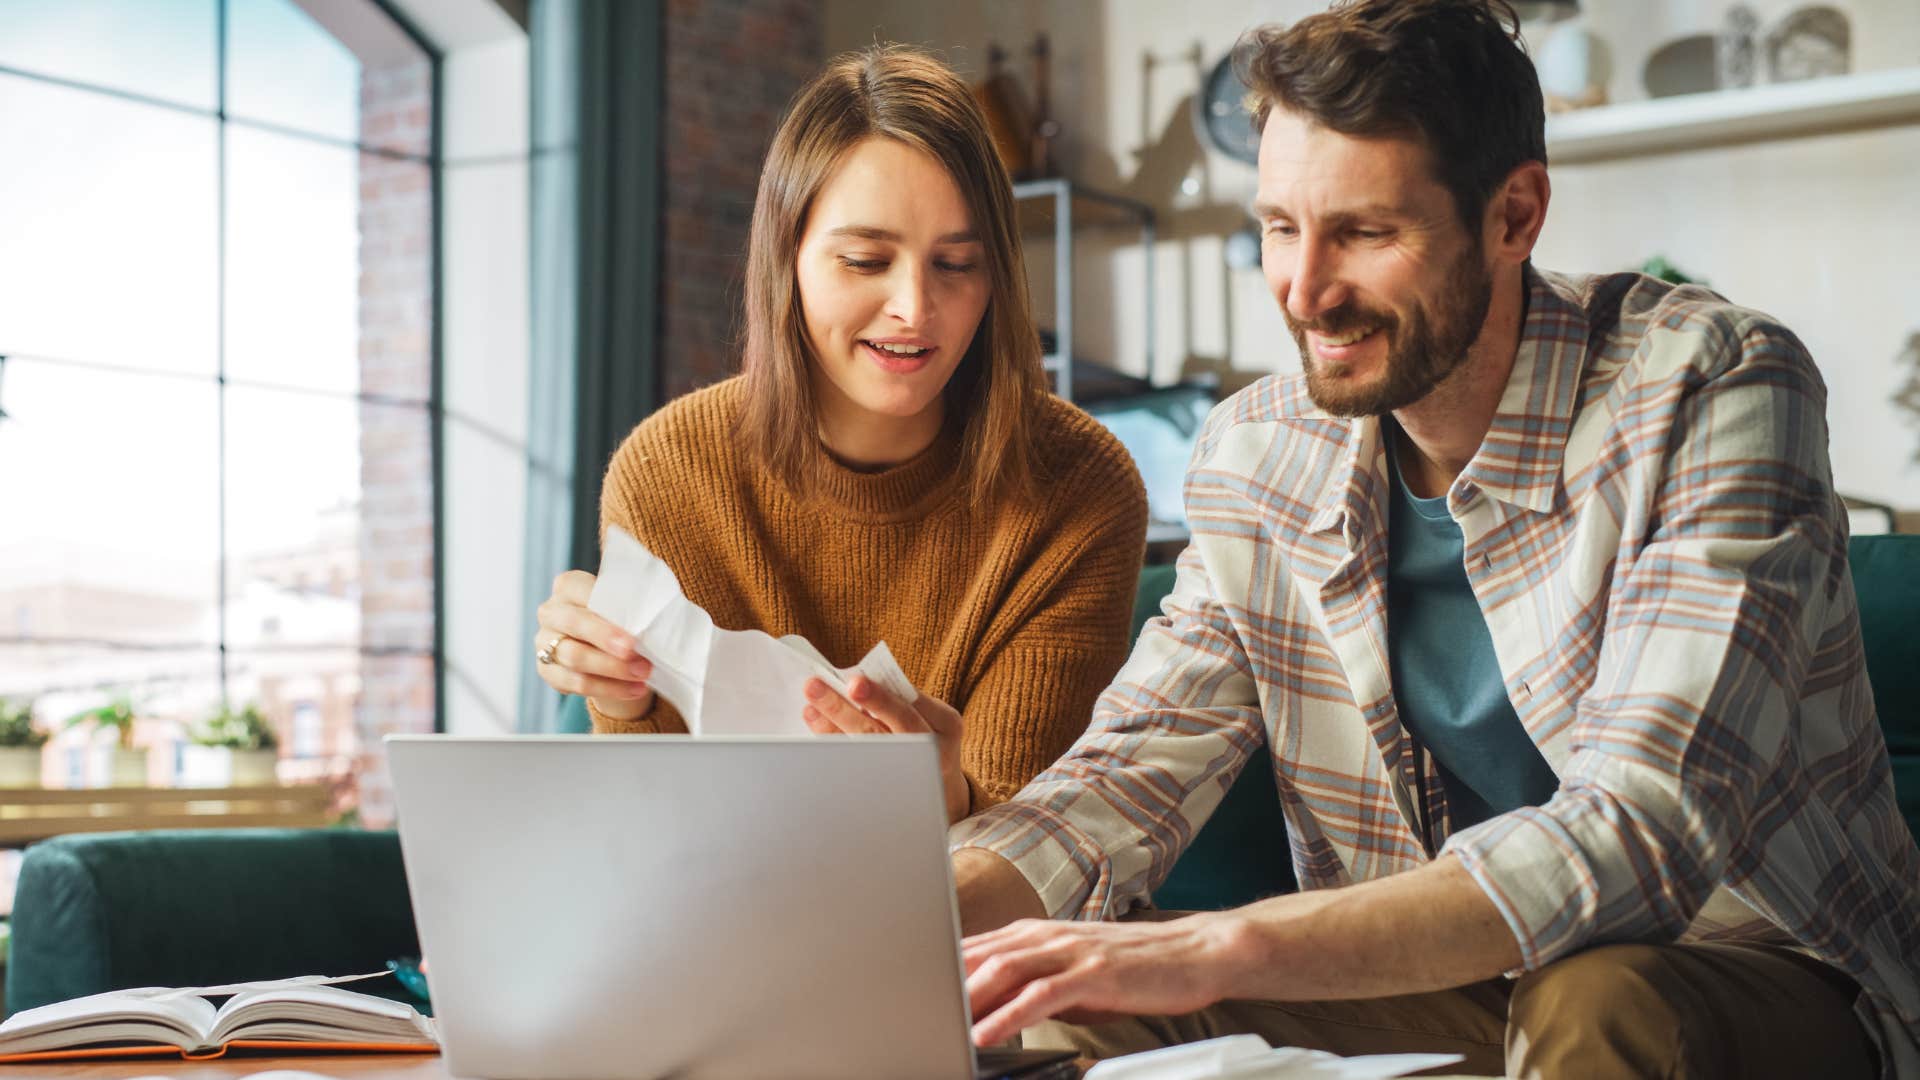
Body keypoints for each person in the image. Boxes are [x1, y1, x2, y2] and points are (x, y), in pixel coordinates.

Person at [949, 2, 1920, 1076]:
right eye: (1279, 227)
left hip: (1742, 972)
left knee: (1594, 998)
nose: (1305, 292)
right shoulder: (1256, 454)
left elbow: (1645, 828)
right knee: (1050, 1001)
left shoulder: (1710, 383)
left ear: (1514, 214)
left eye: (1365, 233)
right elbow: (1122, 782)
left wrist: (1222, 941)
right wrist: (894, 912)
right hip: (1438, 990)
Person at [529, 45, 1148, 825]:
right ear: (786, 258)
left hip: (992, 930)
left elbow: (1042, 851)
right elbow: (654, 825)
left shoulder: (1078, 484)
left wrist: (942, 796)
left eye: (957, 264)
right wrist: (607, 681)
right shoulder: (669, 473)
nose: (915, 308)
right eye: (864, 260)